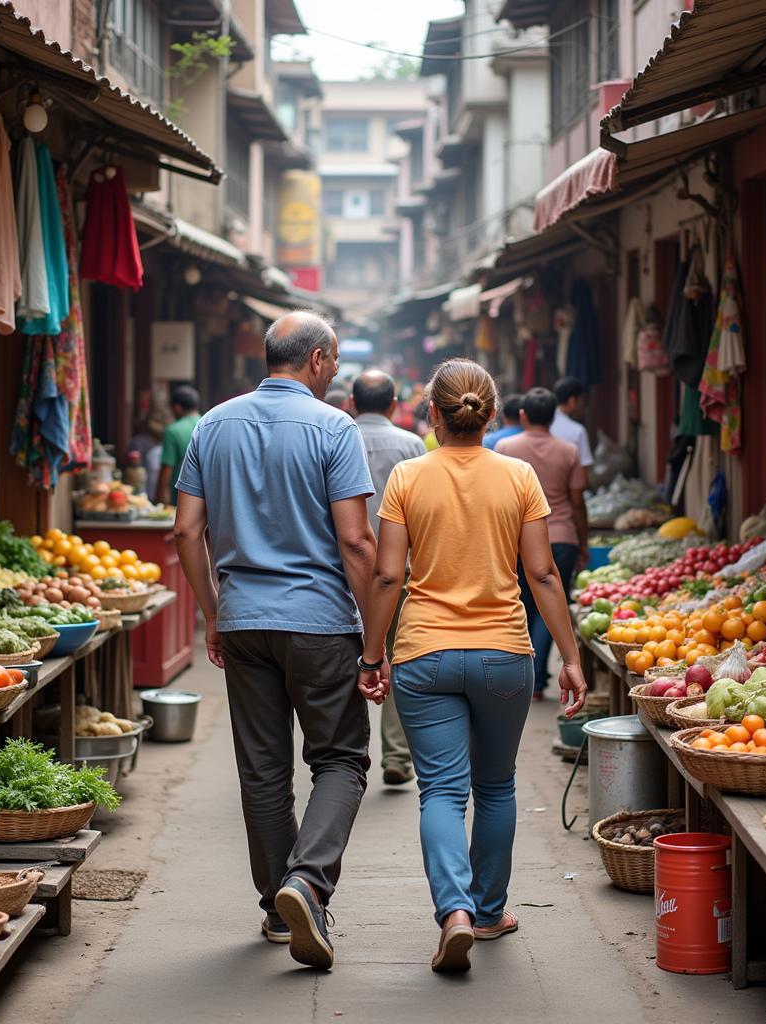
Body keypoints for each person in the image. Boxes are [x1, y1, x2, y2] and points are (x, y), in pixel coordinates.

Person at [355, 358, 587, 974]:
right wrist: (570, 656)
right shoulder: (520, 477)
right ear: (492, 413)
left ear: (432, 414)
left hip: (424, 654)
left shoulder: (407, 476)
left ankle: (453, 912)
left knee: (441, 792)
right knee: (496, 786)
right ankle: (487, 913)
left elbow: (386, 574)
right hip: (504, 654)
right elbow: (541, 573)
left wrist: (371, 654)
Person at [173, 311, 376, 972]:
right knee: (341, 758)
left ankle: (275, 905)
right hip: (320, 622)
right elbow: (355, 540)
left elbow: (185, 531)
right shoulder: (333, 427)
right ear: (316, 360)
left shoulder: (213, 423)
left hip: (243, 619)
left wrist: (211, 612)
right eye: (336, 360)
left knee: (263, 769)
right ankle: (308, 882)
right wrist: (376, 637)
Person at [351, 369, 425, 786]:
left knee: (352, 653)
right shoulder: (411, 444)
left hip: (343, 570)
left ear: (353, 403)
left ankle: (352, 750)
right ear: (394, 405)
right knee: (395, 655)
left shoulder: (336, 435)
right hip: (400, 568)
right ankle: (396, 754)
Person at [497, 388, 588, 699]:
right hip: (561, 535)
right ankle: (536, 680)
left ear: (523, 415)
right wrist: (583, 541)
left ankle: (525, 674)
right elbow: (577, 501)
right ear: (553, 417)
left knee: (523, 604)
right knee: (549, 604)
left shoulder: (506, 446)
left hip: (516, 538)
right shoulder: (569, 451)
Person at [156, 385, 202, 505]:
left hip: (180, 498)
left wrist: (159, 501)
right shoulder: (209, 426)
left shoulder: (173, 431)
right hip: (207, 496)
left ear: (177, 407)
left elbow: (167, 468)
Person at [550, 377, 593, 468]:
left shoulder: (544, 423)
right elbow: (584, 467)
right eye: (582, 400)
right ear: (572, 401)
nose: (583, 405)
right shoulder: (577, 431)